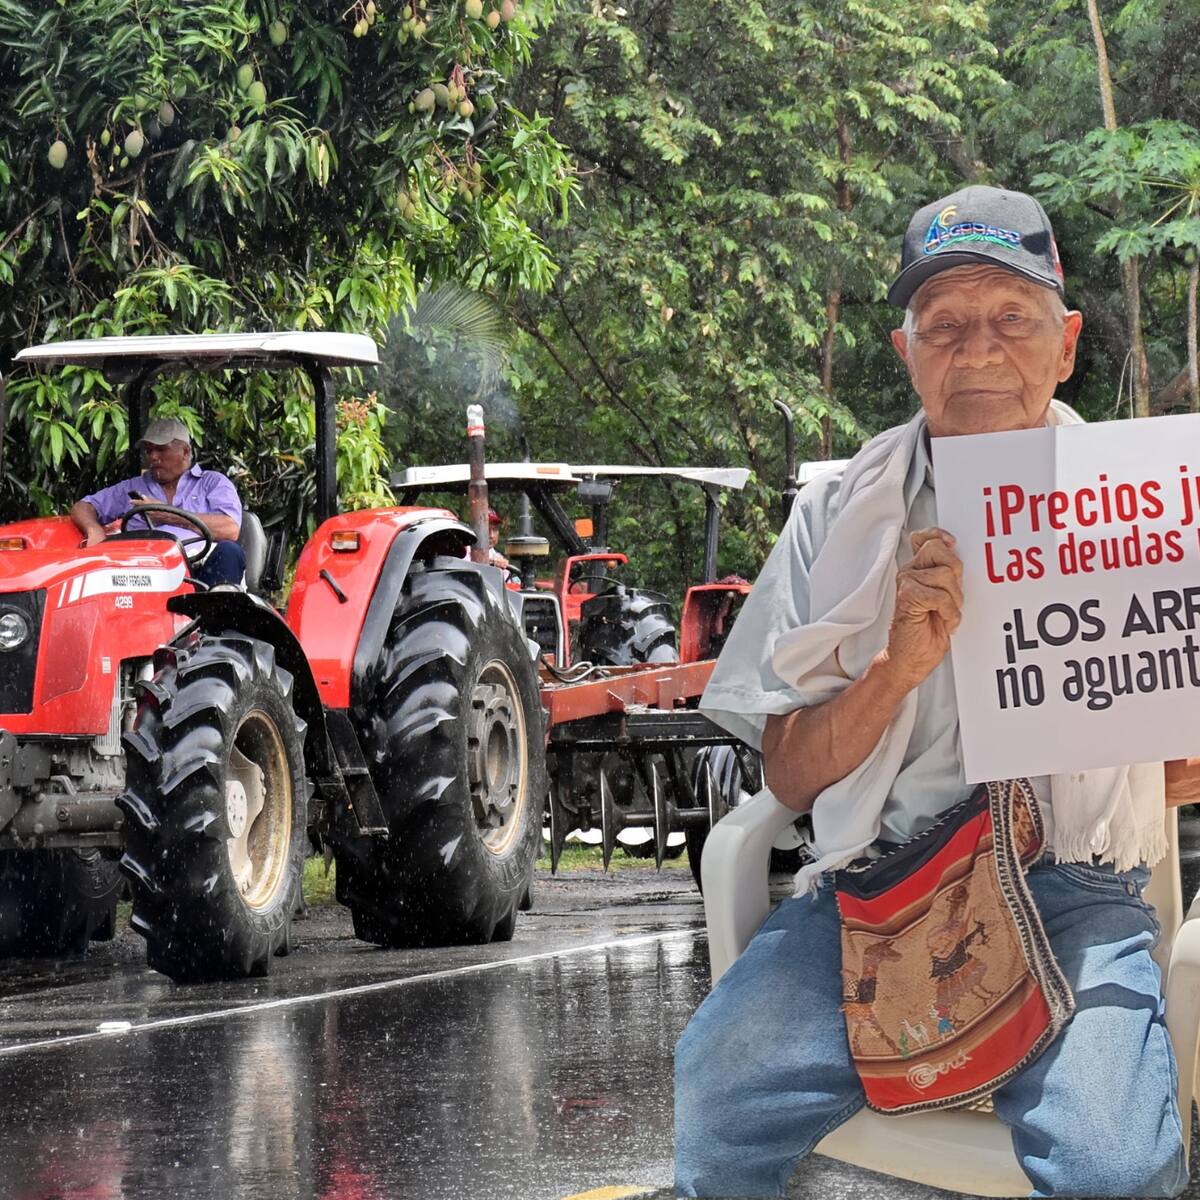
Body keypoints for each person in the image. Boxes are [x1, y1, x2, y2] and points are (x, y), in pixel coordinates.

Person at [674, 186, 1196, 1198]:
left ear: (1067, 343)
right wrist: (894, 670)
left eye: (1013, 318)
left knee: (1112, 1166)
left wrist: (1175, 755)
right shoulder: (837, 516)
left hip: (1074, 890)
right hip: (880, 886)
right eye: (946, 325)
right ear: (908, 350)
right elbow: (787, 770)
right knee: (721, 1081)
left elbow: (1177, 748)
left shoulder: (1144, 506)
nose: (980, 351)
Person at [70, 416, 246, 587]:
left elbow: (230, 529)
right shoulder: (134, 487)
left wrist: (167, 515)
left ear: (185, 452)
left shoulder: (211, 482)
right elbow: (83, 507)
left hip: (200, 569)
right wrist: (94, 529)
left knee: (230, 552)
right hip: (144, 575)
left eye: (161, 449)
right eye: (149, 450)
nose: (153, 457)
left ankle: (213, 613)